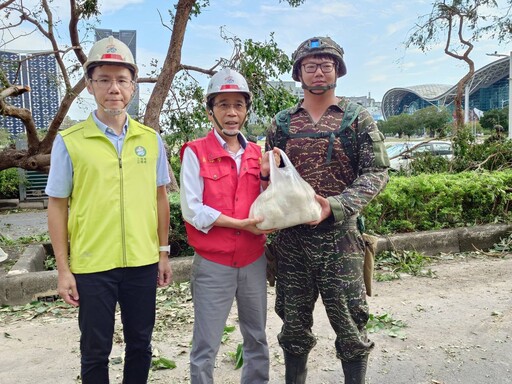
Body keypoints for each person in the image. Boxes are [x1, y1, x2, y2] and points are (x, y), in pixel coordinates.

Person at [45, 36, 172, 384]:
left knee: (141, 345)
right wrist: (63, 269)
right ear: (90, 85)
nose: (113, 88)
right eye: (103, 79)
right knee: (95, 351)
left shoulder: (150, 139)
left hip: (142, 264)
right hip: (92, 265)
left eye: (121, 80)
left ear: (133, 85)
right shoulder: (70, 142)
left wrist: (162, 253)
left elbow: (160, 199)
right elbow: (57, 206)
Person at [265, 36, 390, 384]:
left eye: (326, 65)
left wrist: (335, 206)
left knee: (351, 328)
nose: (318, 72)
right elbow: (269, 177)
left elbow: (378, 172)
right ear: (299, 72)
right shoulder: (281, 123)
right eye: (310, 66)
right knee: (292, 328)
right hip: (292, 243)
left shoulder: (356, 118)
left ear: (337, 70)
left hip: (342, 241)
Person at [180, 67, 277, 384]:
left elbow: (267, 203)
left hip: (253, 261)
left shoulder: (256, 154)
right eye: (223, 105)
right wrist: (239, 224)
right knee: (205, 346)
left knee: (257, 339)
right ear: (211, 111)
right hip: (213, 264)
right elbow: (192, 209)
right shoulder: (196, 152)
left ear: (247, 109)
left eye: (238, 104)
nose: (232, 113)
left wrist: (265, 175)